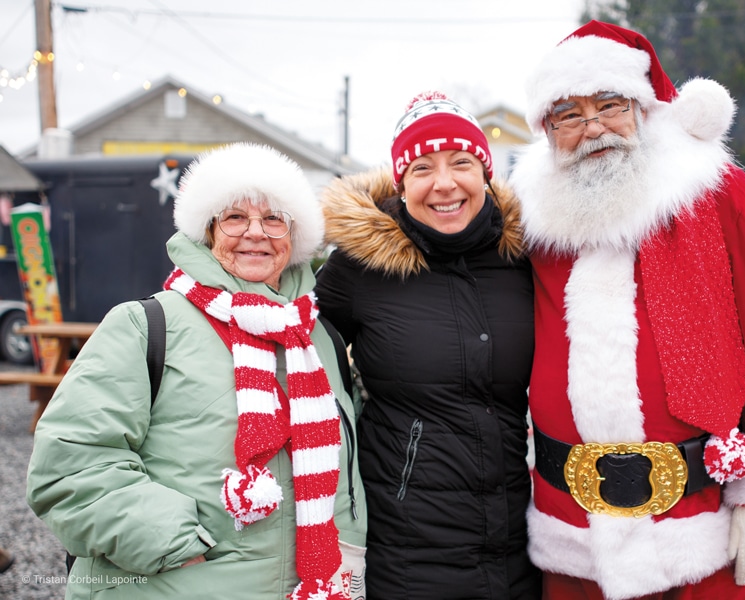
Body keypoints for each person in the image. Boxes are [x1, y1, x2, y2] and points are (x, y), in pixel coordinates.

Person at [509, 21, 745, 600]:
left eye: (609, 105)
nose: (592, 128)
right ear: (547, 129)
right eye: (568, 114)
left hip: (703, 522)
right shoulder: (534, 223)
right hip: (574, 533)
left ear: (644, 107)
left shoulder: (718, 194)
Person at [26, 143, 366, 600]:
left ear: (294, 234)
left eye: (273, 219)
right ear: (206, 231)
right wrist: (174, 541)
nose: (255, 233)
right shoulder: (143, 326)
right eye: (233, 218)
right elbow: (68, 465)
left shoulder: (317, 336)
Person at [314, 91, 541, 599]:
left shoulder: (524, 257)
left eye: (461, 162)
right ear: (402, 183)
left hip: (521, 537)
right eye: (422, 168)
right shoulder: (359, 267)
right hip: (408, 544)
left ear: (484, 172)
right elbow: (303, 360)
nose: (444, 183)